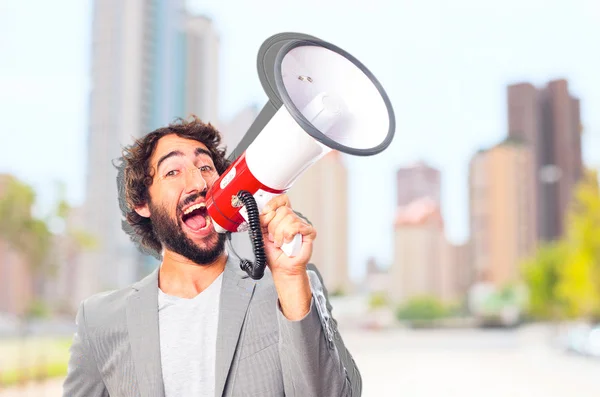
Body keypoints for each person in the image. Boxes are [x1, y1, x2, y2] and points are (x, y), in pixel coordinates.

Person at [63, 116, 362, 397]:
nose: (198, 184)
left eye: (206, 168)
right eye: (172, 171)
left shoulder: (290, 290)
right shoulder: (100, 320)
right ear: (143, 203)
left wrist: (289, 278)